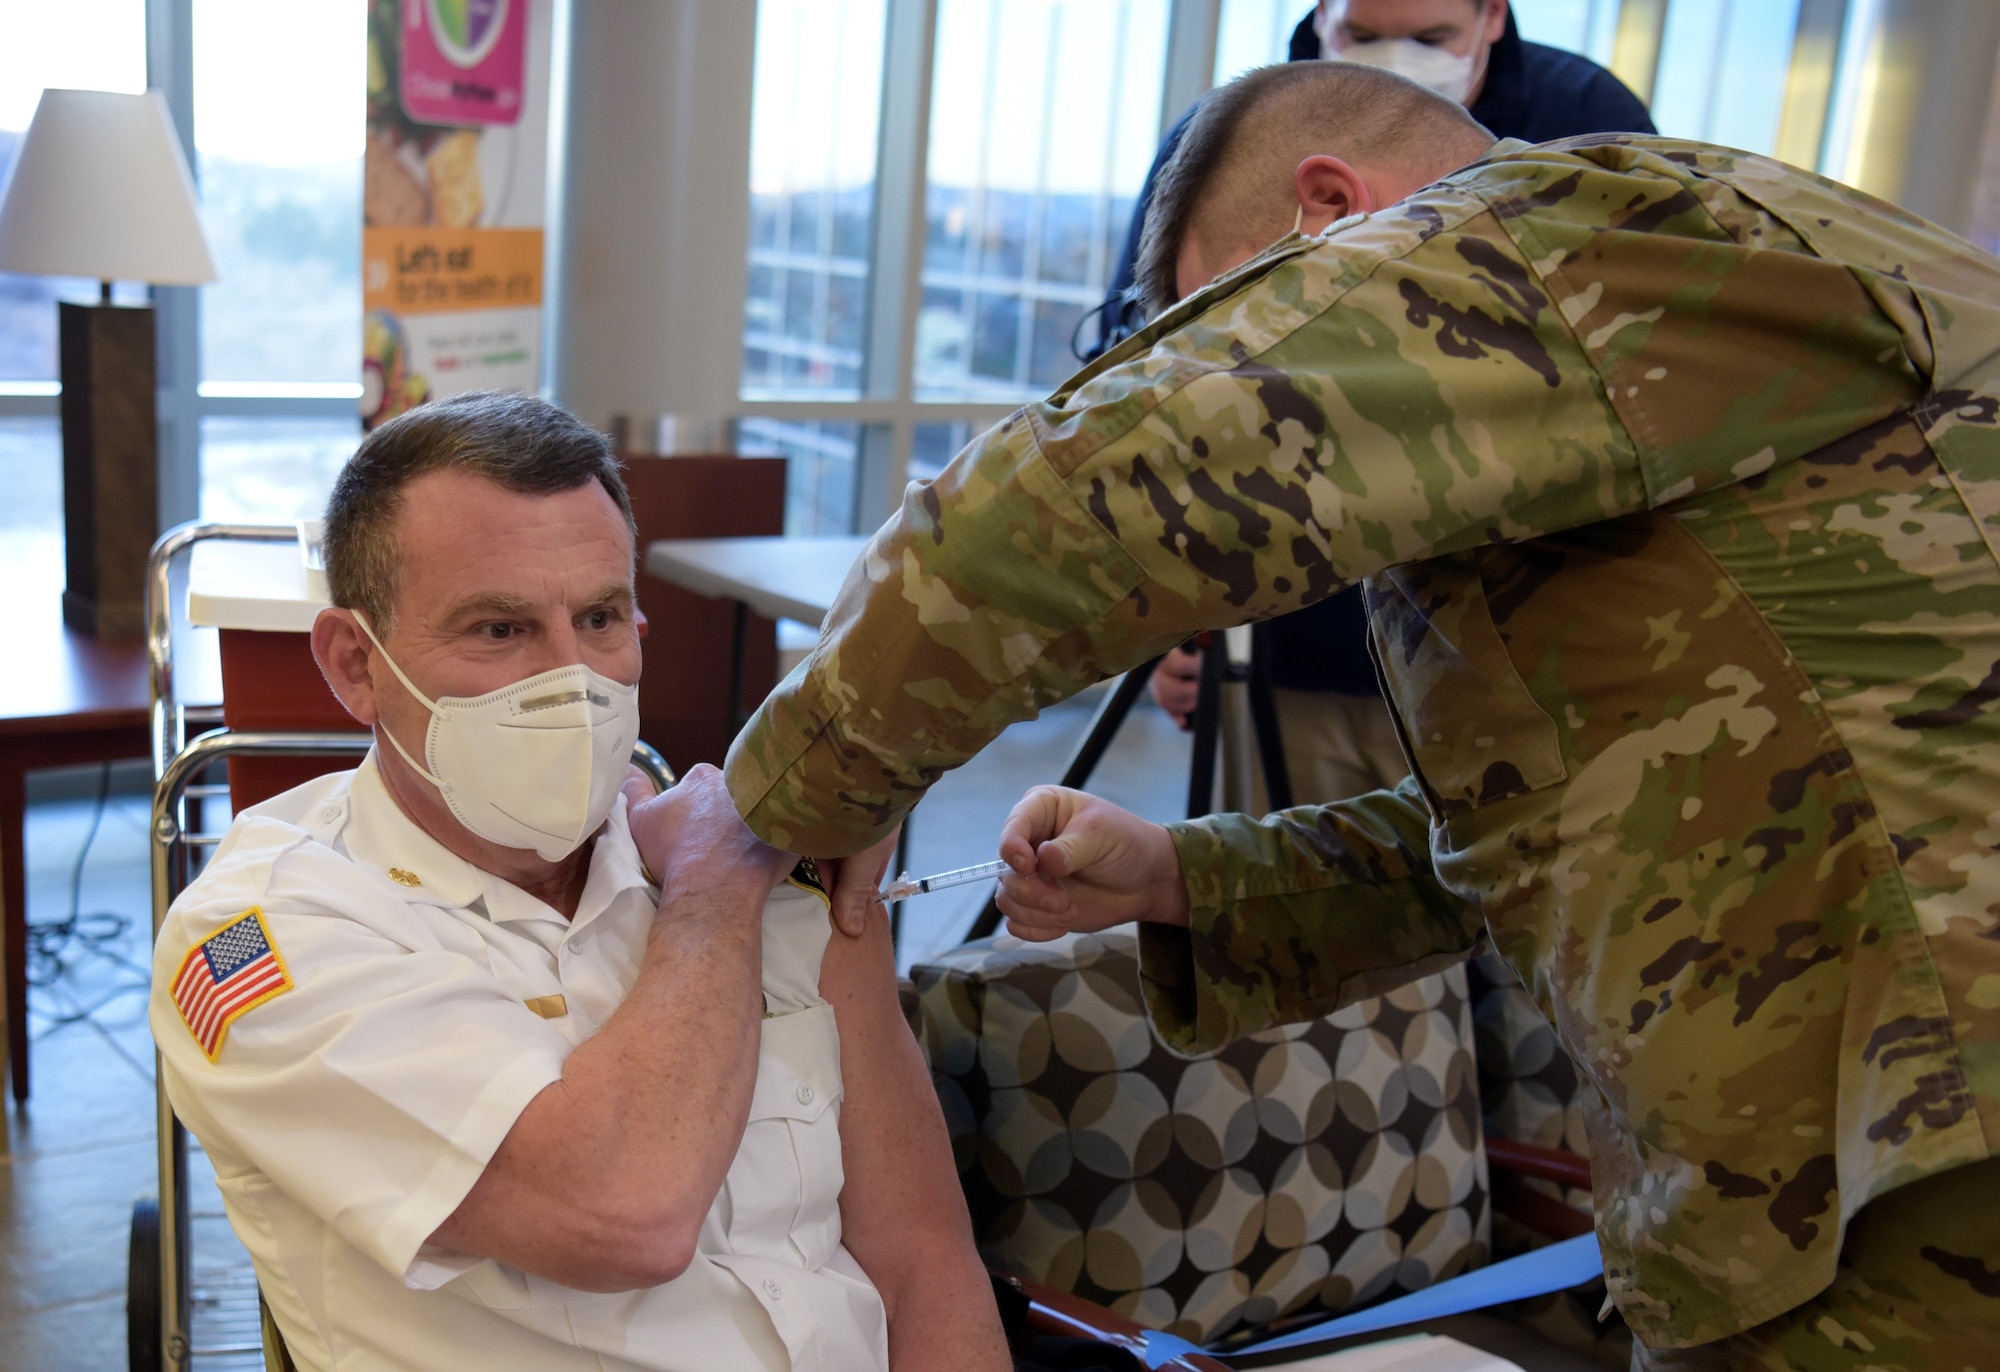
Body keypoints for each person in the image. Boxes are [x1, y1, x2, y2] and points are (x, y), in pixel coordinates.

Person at [730, 63, 2000, 1370]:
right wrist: (1181, 877)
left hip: (1926, 1168)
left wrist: (757, 811)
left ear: (1328, 216)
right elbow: (1570, 828)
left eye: (1229, 309)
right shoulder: (1689, 343)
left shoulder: (1560, 236)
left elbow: (1060, 505)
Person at [149, 392, 1007, 1372]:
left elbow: (920, 1261)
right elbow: (623, 1212)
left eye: (598, 617)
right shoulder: (271, 929)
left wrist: (739, 850)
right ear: (356, 665)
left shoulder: (771, 865)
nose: (571, 678)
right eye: (498, 629)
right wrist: (721, 871)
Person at [1129, 0, 1656, 809]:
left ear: (1491, 17)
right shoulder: (1229, 142)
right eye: (1365, 34)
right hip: (1295, 654)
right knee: (1286, 897)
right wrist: (1162, 623)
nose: (1398, 57)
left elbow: (1640, 397)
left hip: (1526, 673)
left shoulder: (1587, 124)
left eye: (1431, 37)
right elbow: (1146, 404)